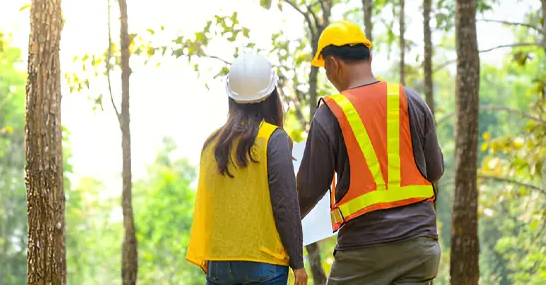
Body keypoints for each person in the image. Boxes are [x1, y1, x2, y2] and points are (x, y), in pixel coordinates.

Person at [297, 21, 444, 284]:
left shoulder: (330, 114)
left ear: (333, 64)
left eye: (325, 69)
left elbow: (308, 189)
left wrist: (279, 224)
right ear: (369, 57)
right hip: (420, 246)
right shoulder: (410, 99)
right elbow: (435, 170)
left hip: (363, 250)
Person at [187, 53, 308, 285]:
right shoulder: (274, 139)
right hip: (265, 264)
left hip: (219, 263)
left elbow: (208, 207)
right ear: (271, 95)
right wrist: (298, 263)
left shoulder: (212, 143)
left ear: (231, 97)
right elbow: (284, 205)